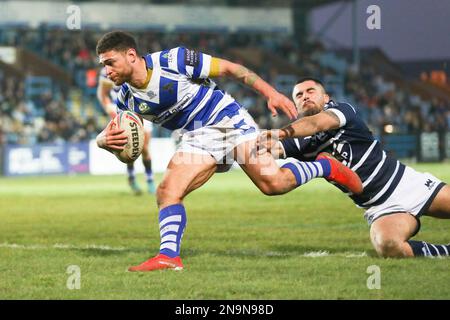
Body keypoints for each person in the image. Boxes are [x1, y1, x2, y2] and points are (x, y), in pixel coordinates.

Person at [95, 31, 362, 272]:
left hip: (228, 122)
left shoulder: (173, 60)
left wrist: (272, 93)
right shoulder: (126, 99)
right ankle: (168, 257)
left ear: (131, 55)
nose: (107, 72)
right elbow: (131, 148)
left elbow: (232, 69)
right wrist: (103, 142)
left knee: (273, 184)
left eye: (110, 63)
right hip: (196, 138)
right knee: (167, 192)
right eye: (103, 65)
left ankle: (325, 166)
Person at [257, 77, 450, 258]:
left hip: (407, 184)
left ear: (326, 98)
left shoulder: (342, 110)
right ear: (295, 105)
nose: (305, 96)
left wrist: (280, 133)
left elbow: (316, 123)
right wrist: (240, 141)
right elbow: (261, 147)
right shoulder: (299, 141)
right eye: (299, 95)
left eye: (310, 91)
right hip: (379, 207)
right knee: (388, 245)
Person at [97, 66, 156, 195]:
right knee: (128, 147)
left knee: (145, 148)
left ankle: (150, 179)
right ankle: (132, 177)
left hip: (142, 110)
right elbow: (103, 95)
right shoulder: (107, 72)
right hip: (123, 113)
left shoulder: (138, 67)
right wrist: (110, 110)